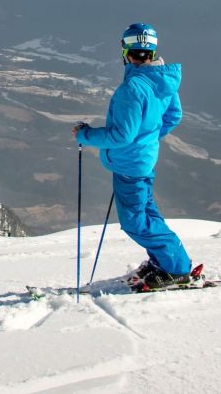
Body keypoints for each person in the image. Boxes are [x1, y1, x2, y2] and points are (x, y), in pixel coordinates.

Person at [73, 22, 192, 289]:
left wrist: (85, 135)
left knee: (135, 222)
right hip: (143, 160)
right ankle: (164, 261)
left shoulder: (132, 88)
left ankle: (177, 268)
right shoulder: (162, 80)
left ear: (126, 50)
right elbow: (174, 116)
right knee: (147, 212)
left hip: (130, 165)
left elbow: (120, 136)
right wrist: (148, 139)